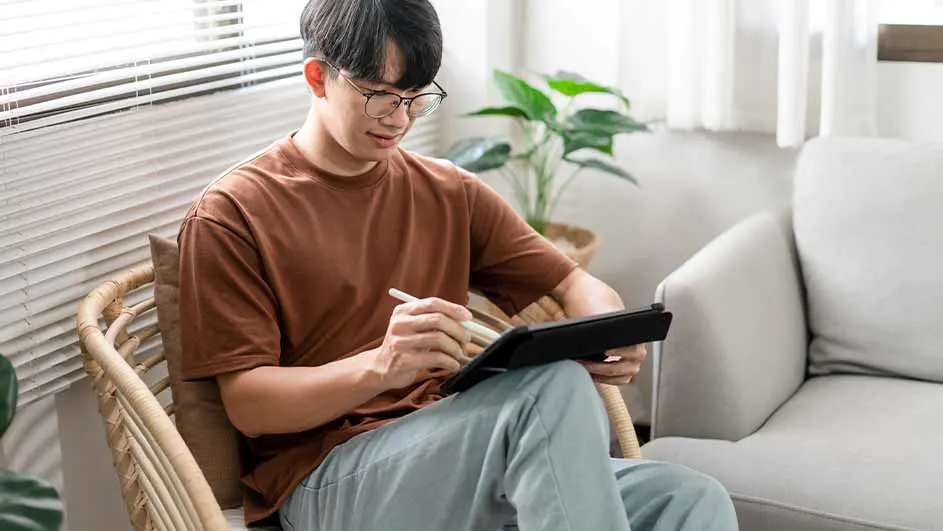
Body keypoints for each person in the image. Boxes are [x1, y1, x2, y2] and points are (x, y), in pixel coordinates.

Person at [176, 0, 739, 529]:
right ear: (318, 77)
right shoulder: (233, 213)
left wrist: (606, 334)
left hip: (462, 452)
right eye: (380, 95)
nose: (400, 118)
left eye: (417, 97)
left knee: (690, 500)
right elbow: (250, 405)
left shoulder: (448, 191)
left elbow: (573, 281)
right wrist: (382, 366)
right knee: (549, 390)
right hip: (327, 479)